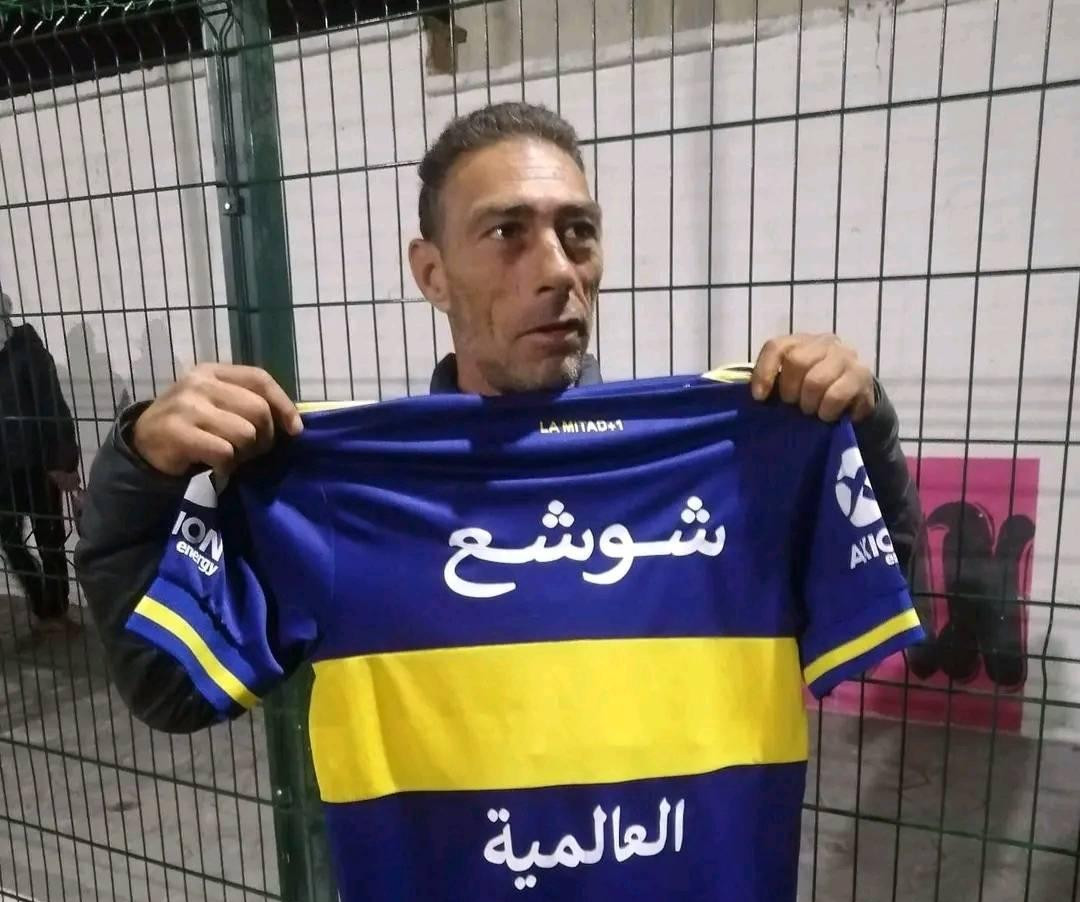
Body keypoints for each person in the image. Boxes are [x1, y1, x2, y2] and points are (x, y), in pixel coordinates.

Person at [75, 102, 923, 731]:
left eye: (578, 231)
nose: (556, 269)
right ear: (432, 273)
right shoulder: (342, 495)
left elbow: (889, 592)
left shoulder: (732, 463)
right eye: (507, 233)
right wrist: (139, 474)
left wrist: (861, 429)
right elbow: (166, 687)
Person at [0, 304, 81, 637]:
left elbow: (53, 407)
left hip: (37, 464)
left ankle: (56, 612)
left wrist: (62, 463)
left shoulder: (28, 353)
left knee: (50, 540)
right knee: (9, 539)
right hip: (4, 469)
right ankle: (43, 607)